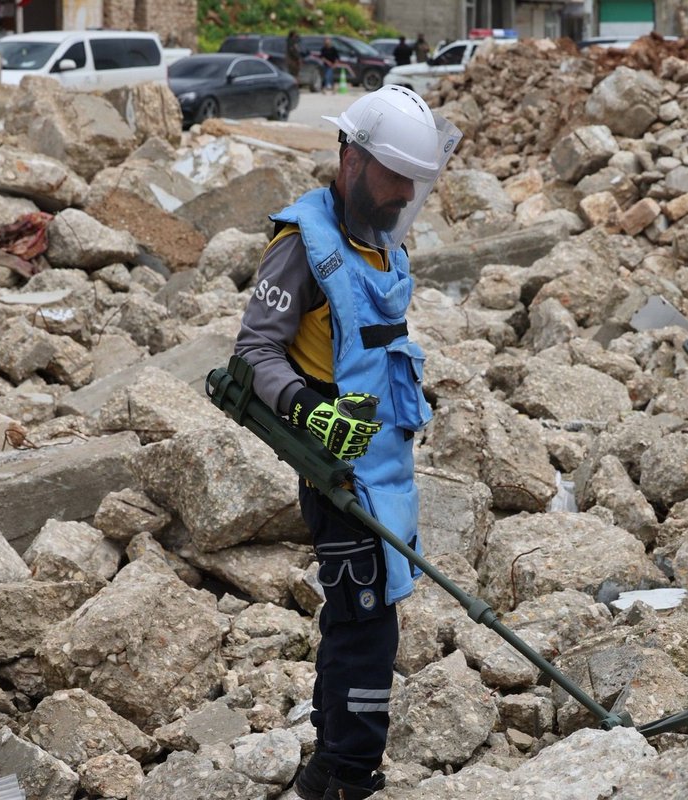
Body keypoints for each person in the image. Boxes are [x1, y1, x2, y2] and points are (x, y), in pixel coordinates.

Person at [234, 86, 462, 800]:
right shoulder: (303, 246)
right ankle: (350, 773)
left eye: (412, 182)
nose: (402, 193)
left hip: (385, 464)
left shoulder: (381, 240)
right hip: (336, 468)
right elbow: (254, 352)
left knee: (360, 614)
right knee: (365, 622)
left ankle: (331, 769)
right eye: (393, 176)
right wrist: (305, 408)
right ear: (351, 159)